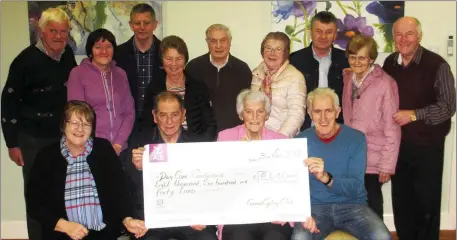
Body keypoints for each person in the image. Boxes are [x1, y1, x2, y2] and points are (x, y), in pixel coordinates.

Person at [0, 7, 77, 240]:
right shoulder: (25, 60)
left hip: (62, 137)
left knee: (62, 191)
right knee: (36, 194)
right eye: (53, 31)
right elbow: (8, 100)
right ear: (41, 31)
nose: (58, 36)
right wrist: (12, 143)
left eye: (63, 31)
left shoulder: (68, 56)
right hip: (32, 139)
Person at [25, 100, 147, 240]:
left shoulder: (103, 149)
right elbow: (34, 203)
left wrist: (127, 219)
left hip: (103, 234)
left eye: (86, 124)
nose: (80, 129)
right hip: (62, 235)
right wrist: (63, 225)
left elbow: (120, 190)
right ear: (63, 125)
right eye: (74, 123)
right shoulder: (46, 156)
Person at [383, 16, 456, 240]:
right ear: (393, 38)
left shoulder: (437, 65)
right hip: (398, 146)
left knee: (426, 206)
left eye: (409, 34)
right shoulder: (389, 63)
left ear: (419, 36)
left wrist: (414, 115)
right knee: (402, 205)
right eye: (398, 34)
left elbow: (448, 107)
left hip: (427, 148)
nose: (403, 39)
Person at [216, 89, 318, 240]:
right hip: (238, 214)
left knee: (275, 237)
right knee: (239, 237)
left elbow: (292, 184)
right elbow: (218, 179)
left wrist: (297, 212)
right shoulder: (226, 138)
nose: (255, 117)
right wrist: (238, 157)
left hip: (273, 214)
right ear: (241, 115)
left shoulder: (282, 142)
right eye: (249, 112)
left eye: (260, 111)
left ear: (267, 115)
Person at [293, 88, 392, 240]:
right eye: (317, 111)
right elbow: (294, 188)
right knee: (300, 238)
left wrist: (326, 178)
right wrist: (302, 214)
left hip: (352, 206)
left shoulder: (356, 139)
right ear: (310, 113)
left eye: (329, 111)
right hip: (315, 209)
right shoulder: (299, 141)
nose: (323, 118)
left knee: (382, 237)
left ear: (338, 112)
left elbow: (356, 188)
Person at [129, 91, 218, 240]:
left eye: (175, 114)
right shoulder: (140, 144)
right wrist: (138, 170)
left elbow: (208, 188)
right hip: (155, 220)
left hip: (190, 219)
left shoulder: (198, 145)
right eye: (163, 115)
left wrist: (202, 215)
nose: (169, 121)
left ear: (183, 114)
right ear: (154, 116)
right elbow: (129, 191)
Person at [342, 34, 401, 219]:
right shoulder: (349, 78)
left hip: (374, 158)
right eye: (353, 57)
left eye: (362, 57)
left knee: (373, 209)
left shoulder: (385, 83)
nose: (356, 62)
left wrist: (387, 165)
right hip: (354, 156)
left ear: (372, 59)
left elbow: (392, 127)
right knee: (355, 207)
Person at [67, 28, 135, 157]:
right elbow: (76, 116)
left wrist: (118, 143)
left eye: (108, 47)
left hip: (120, 148)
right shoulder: (78, 73)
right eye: (98, 47)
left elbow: (129, 112)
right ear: (90, 50)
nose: (104, 51)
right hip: (90, 149)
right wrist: (98, 147)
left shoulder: (121, 74)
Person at [143, 35, 217, 141]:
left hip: (193, 145)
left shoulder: (198, 87)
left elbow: (210, 124)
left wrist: (199, 146)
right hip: (161, 147)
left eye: (179, 59)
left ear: (185, 60)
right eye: (169, 59)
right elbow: (146, 124)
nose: (174, 64)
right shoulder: (153, 88)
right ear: (162, 60)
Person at [185, 24, 252, 132]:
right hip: (200, 136)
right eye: (213, 41)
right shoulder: (193, 68)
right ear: (207, 42)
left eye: (223, 40)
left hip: (234, 136)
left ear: (230, 41)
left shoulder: (242, 69)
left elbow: (247, 106)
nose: (218, 46)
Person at [289, 11, 349, 130]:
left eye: (328, 32)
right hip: (304, 129)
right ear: (310, 33)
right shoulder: (294, 60)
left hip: (338, 128)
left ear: (335, 35)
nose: (323, 36)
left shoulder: (346, 60)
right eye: (319, 31)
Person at [115, 3, 162, 135]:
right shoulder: (118, 54)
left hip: (159, 124)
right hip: (126, 124)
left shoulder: (165, 53)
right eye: (137, 23)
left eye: (146, 23)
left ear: (155, 24)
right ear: (131, 25)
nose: (142, 27)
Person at [251, 32, 306, 137]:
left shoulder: (295, 77)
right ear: (262, 51)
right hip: (257, 138)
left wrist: (279, 139)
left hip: (282, 139)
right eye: (268, 48)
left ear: (285, 53)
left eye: (278, 49)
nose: (272, 53)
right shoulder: (256, 74)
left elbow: (296, 115)